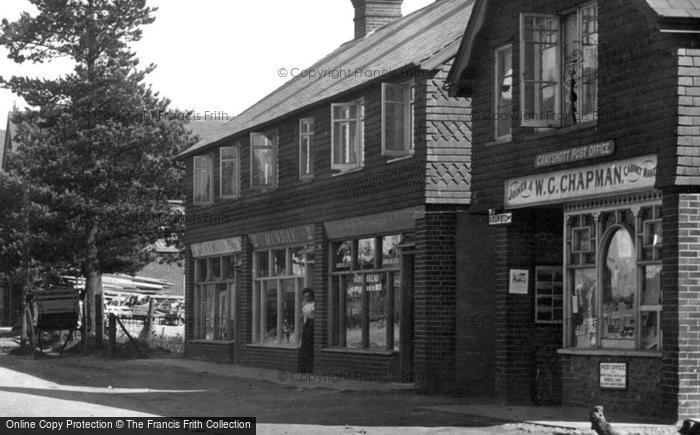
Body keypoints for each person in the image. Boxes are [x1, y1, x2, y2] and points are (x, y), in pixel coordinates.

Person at [300, 288, 315, 373]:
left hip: (313, 324)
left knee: (310, 344)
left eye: (308, 296)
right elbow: (304, 315)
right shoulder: (305, 305)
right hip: (307, 324)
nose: (306, 298)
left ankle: (310, 367)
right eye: (305, 296)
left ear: (312, 296)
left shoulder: (314, 305)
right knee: (305, 345)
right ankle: (304, 367)